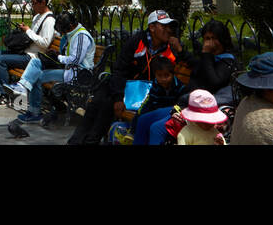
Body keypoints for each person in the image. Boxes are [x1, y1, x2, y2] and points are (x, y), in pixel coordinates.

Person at [69, 8, 186, 144]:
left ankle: (91, 141)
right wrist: (119, 97)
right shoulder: (137, 41)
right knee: (97, 102)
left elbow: (184, 69)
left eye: (169, 26)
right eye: (164, 26)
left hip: (148, 94)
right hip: (126, 88)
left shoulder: (171, 47)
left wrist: (180, 50)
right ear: (152, 27)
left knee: (107, 104)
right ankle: (76, 141)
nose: (168, 30)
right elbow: (120, 69)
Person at [0, 0, 57, 121]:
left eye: (34, 3)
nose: (32, 6)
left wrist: (28, 31)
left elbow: (45, 43)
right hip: (23, 51)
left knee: (0, 60)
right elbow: (32, 36)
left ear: (43, 2)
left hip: (33, 57)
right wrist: (25, 31)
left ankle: (3, 95)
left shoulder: (49, 21)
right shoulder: (37, 17)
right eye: (31, 3)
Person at [181, 19, 238, 106]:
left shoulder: (227, 60)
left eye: (214, 38)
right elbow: (196, 64)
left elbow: (214, 82)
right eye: (207, 39)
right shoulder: (208, 57)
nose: (210, 43)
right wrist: (181, 52)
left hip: (207, 105)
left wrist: (206, 54)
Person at [131, 55, 185, 145]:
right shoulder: (156, 85)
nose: (163, 79)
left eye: (167, 75)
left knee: (154, 127)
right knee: (142, 119)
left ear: (172, 74)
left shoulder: (179, 87)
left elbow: (180, 105)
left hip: (173, 112)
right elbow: (150, 103)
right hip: (158, 111)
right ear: (155, 75)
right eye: (159, 76)